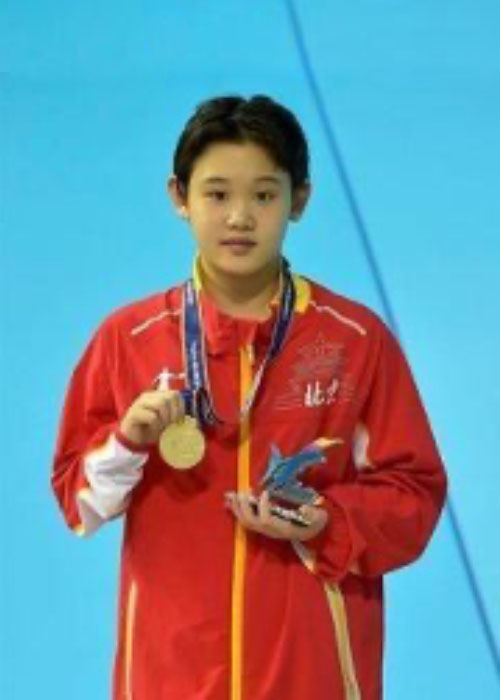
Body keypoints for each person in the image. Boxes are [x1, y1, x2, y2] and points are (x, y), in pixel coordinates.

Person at [51, 95, 447, 700]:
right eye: (216, 194)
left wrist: (325, 520)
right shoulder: (127, 340)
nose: (239, 217)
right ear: (179, 197)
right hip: (171, 672)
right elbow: (80, 505)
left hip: (312, 671)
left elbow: (414, 493)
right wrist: (128, 441)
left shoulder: (355, 341)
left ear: (300, 199)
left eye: (264, 195)